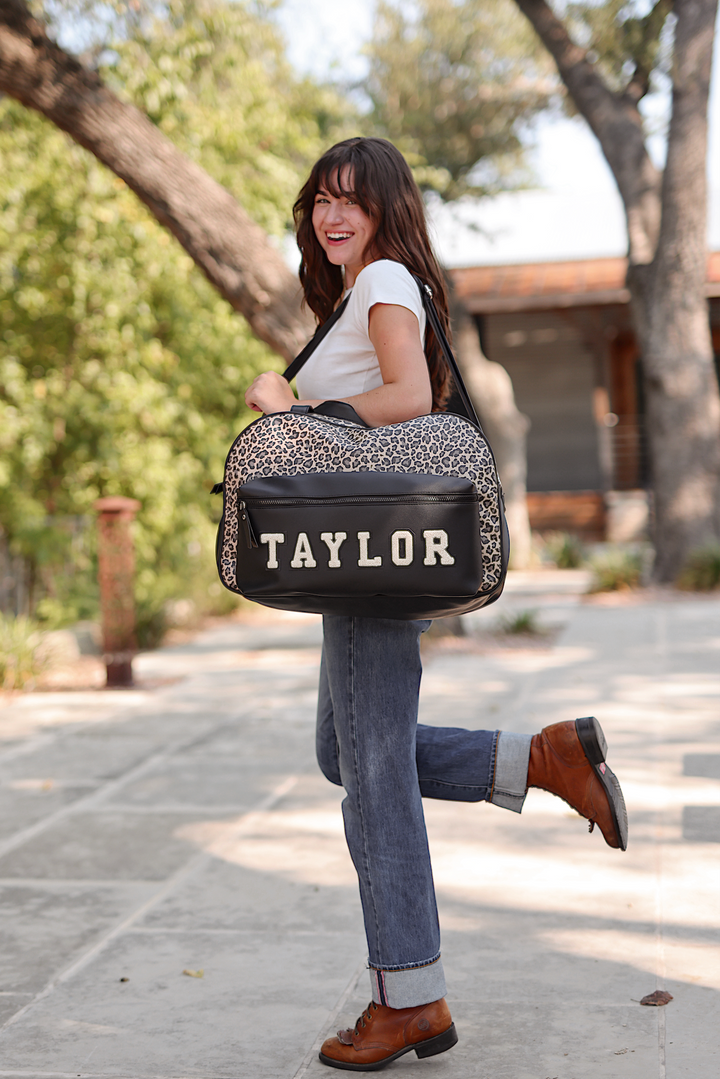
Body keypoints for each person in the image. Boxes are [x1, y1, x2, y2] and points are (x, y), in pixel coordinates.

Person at [245, 136, 628, 1073]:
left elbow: (411, 395)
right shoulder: (362, 291)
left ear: (385, 208)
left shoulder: (382, 283)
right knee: (345, 751)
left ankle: (409, 996)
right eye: (320, 200)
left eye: (351, 200)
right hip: (362, 551)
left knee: (372, 772)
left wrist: (291, 418)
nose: (331, 215)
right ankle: (540, 757)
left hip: (375, 550)